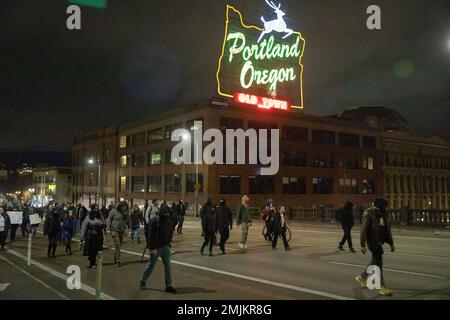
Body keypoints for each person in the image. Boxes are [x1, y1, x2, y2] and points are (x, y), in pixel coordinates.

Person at [355, 197, 395, 296]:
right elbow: (363, 230)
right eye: (383, 207)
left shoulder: (384, 213)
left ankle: (362, 277)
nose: (385, 209)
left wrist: (391, 243)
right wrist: (362, 245)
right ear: (377, 207)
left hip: (380, 241)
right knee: (379, 264)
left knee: (375, 262)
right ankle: (382, 287)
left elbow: (387, 229)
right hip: (372, 242)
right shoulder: (368, 213)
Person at [139, 208, 177, 293]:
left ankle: (169, 285)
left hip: (165, 247)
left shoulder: (168, 221)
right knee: (151, 266)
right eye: (165, 213)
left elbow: (168, 232)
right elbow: (150, 235)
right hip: (156, 248)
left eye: (168, 213)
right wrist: (152, 248)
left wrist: (168, 244)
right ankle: (143, 281)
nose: (167, 215)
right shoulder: (155, 221)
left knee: (168, 266)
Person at [106, 201, 130, 267]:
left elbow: (129, 222)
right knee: (117, 244)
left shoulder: (126, 213)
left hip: (122, 231)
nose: (124, 208)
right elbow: (109, 219)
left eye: (125, 207)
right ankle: (117, 260)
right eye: (123, 207)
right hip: (114, 230)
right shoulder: (114, 211)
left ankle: (115, 258)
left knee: (118, 246)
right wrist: (108, 228)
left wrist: (129, 230)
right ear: (120, 206)